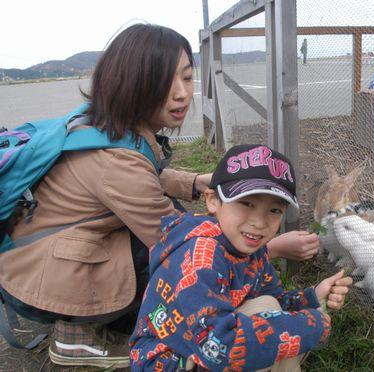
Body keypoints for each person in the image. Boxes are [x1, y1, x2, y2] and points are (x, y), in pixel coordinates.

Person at [0, 23, 319, 369]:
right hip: (44, 279)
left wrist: (195, 181)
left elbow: (143, 174)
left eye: (185, 77)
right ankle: (77, 336)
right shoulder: (118, 165)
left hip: (34, 253)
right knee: (178, 240)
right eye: (165, 81)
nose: (182, 93)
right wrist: (272, 246)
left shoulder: (104, 125)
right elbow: (181, 249)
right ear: (132, 83)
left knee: (176, 222)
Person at [129, 144, 353, 371]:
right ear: (213, 201)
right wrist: (311, 326)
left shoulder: (251, 250)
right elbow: (220, 346)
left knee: (269, 307)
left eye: (274, 210)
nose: (260, 222)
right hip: (167, 360)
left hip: (196, 346)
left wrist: (313, 297)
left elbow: (276, 300)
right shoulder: (200, 258)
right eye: (247, 203)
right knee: (275, 332)